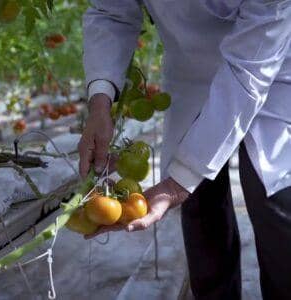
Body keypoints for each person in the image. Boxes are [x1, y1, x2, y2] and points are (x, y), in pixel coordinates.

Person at [79, 0, 291, 299]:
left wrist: (178, 183)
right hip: (189, 75)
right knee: (200, 210)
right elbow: (110, 12)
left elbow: (248, 75)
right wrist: (100, 101)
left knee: (275, 203)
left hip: (273, 73)